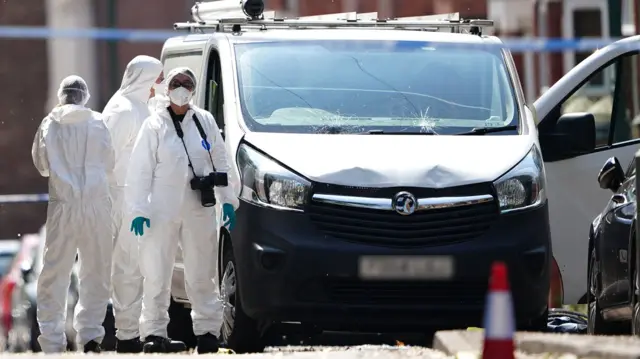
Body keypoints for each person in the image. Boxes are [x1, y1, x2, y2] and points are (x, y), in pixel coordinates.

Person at [126, 67, 239, 354]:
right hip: (160, 208)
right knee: (156, 271)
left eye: (187, 83)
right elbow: (140, 170)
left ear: (193, 89)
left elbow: (221, 161)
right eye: (176, 83)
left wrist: (228, 199)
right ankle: (153, 332)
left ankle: (208, 331)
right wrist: (138, 209)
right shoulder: (154, 125)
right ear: (167, 88)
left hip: (197, 207)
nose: (181, 88)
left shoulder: (204, 121)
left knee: (202, 271)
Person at [32, 75, 114, 353]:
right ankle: (91, 336)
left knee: (54, 273)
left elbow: (42, 165)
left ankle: (52, 340)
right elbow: (109, 161)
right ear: (85, 95)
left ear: (61, 95)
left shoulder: (49, 124)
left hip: (63, 207)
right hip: (96, 206)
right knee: (95, 271)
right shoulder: (99, 121)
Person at [102, 55, 163, 354]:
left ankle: (137, 332)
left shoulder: (139, 107)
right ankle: (125, 336)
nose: (159, 87)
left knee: (139, 267)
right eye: (156, 80)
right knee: (125, 266)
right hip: (122, 198)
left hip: (138, 197)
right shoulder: (122, 111)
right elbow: (104, 158)